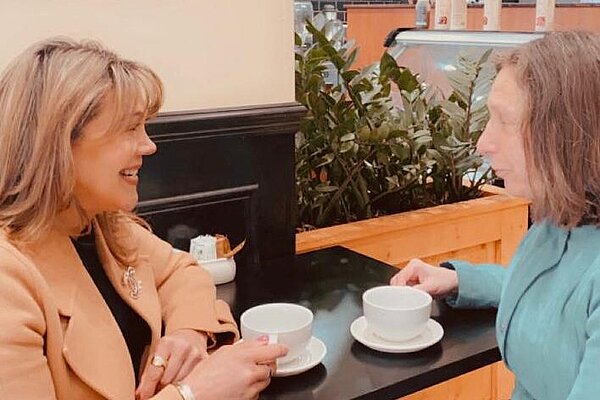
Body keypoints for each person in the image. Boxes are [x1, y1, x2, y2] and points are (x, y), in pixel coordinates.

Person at [0, 38, 287, 400]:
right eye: (130, 127)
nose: (149, 145)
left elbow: (183, 272)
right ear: (58, 139)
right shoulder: (9, 279)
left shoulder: (100, 225)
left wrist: (188, 335)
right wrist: (193, 393)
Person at [391, 31, 600, 400]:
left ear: (569, 135)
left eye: (504, 120)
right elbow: (554, 294)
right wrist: (460, 281)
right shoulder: (559, 218)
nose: (482, 143)